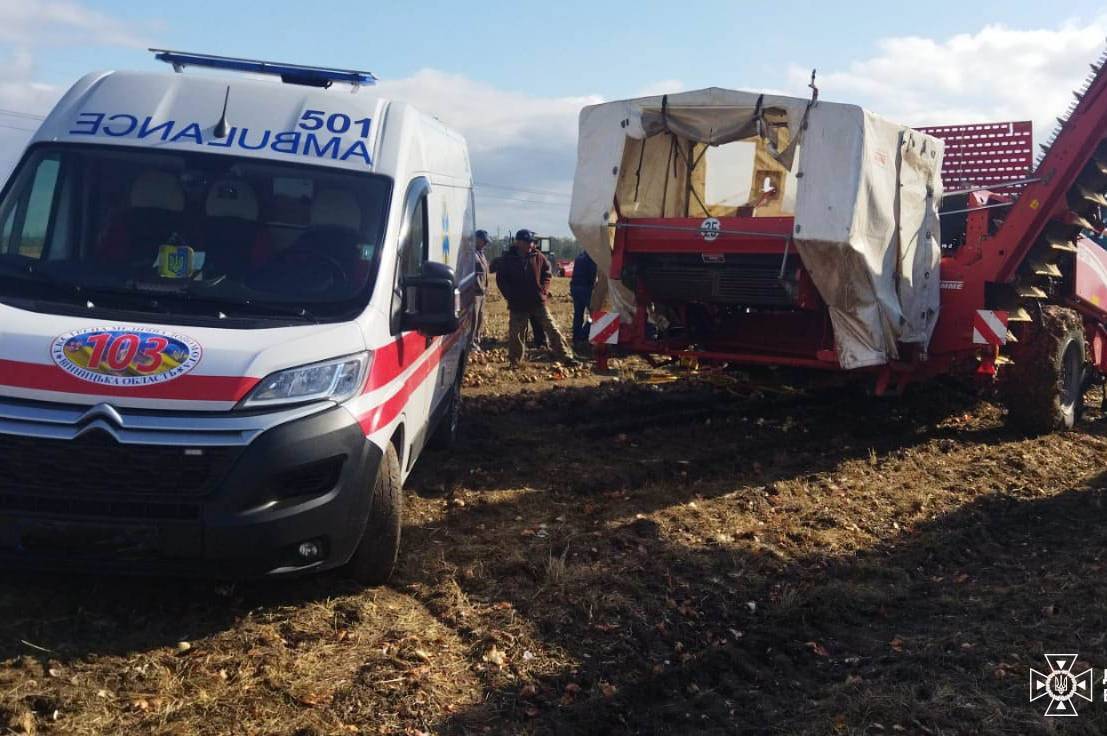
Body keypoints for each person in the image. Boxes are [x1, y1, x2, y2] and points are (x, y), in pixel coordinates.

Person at [490, 229, 577, 367]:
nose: (531, 245)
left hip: (537, 302)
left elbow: (547, 274)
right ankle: (515, 362)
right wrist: (510, 296)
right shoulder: (507, 259)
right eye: (528, 242)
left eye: (531, 242)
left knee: (552, 328)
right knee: (516, 335)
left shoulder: (539, 256)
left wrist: (543, 290)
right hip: (518, 304)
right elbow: (501, 280)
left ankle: (566, 357)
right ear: (519, 243)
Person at [569, 250, 598, 345]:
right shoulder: (592, 257)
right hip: (586, 288)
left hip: (575, 287)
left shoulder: (580, 256)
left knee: (578, 314)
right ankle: (583, 334)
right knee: (596, 314)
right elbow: (592, 276)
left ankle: (576, 338)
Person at [472, 230, 490, 351]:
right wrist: (480, 287)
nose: (485, 244)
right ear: (477, 239)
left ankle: (477, 338)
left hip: (482, 291)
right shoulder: (471, 253)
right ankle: (471, 341)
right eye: (484, 241)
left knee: (480, 316)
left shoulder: (481, 254)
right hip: (475, 292)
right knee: (474, 317)